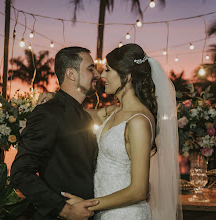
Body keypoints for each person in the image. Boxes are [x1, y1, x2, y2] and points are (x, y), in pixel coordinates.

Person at [56, 44, 182, 220]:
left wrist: (88, 204)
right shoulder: (114, 111)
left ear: (127, 76)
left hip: (126, 214)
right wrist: (54, 100)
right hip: (105, 212)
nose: (102, 76)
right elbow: (80, 115)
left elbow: (139, 190)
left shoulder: (138, 121)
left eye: (108, 70)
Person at [10, 46, 101, 220]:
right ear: (71, 74)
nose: (97, 74)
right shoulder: (48, 113)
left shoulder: (85, 117)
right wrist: (64, 209)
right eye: (90, 68)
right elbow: (20, 172)